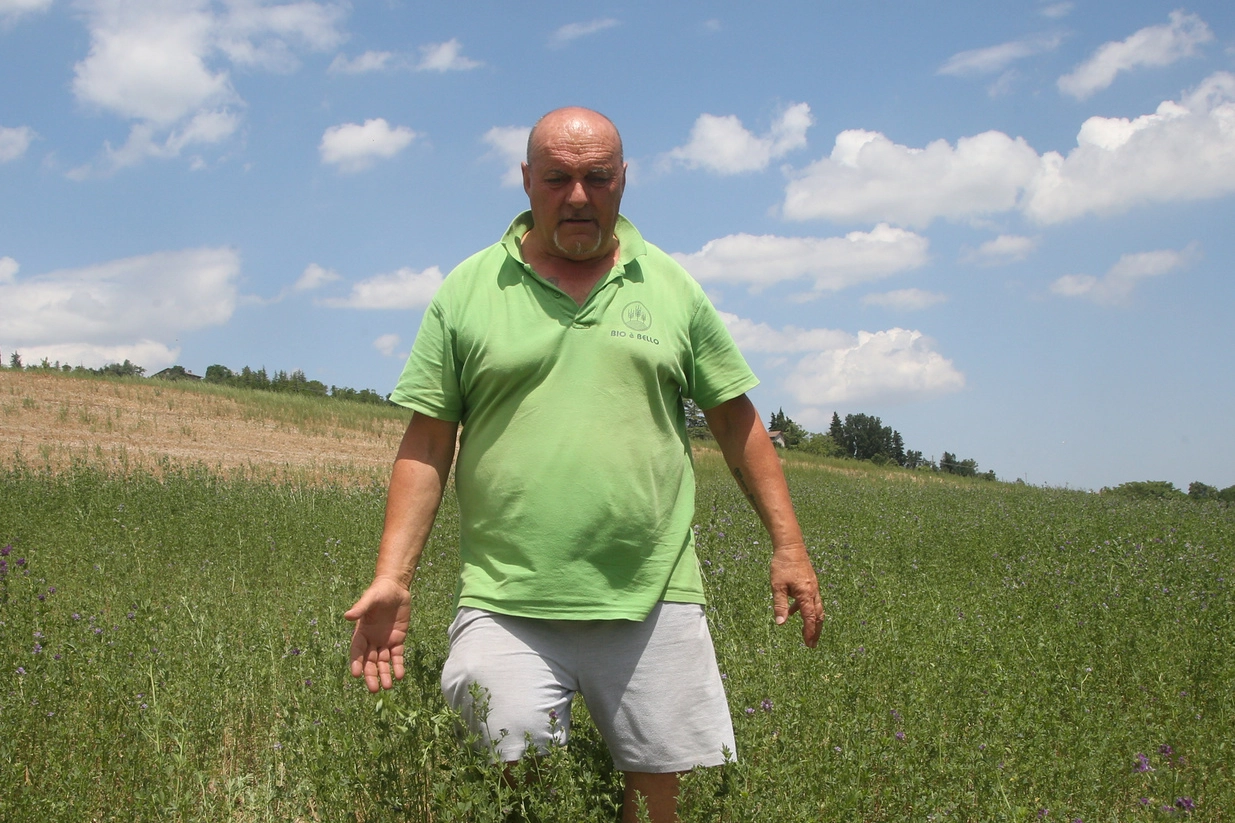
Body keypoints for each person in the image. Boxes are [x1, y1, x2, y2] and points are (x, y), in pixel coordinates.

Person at [345, 106, 823, 823]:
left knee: (656, 792)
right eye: (557, 177)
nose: (577, 195)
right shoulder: (468, 290)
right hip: (508, 598)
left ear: (623, 181)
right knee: (516, 781)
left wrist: (788, 544)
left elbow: (734, 418)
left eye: (597, 178)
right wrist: (391, 575)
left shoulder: (668, 286)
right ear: (525, 181)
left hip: (651, 592)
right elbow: (428, 442)